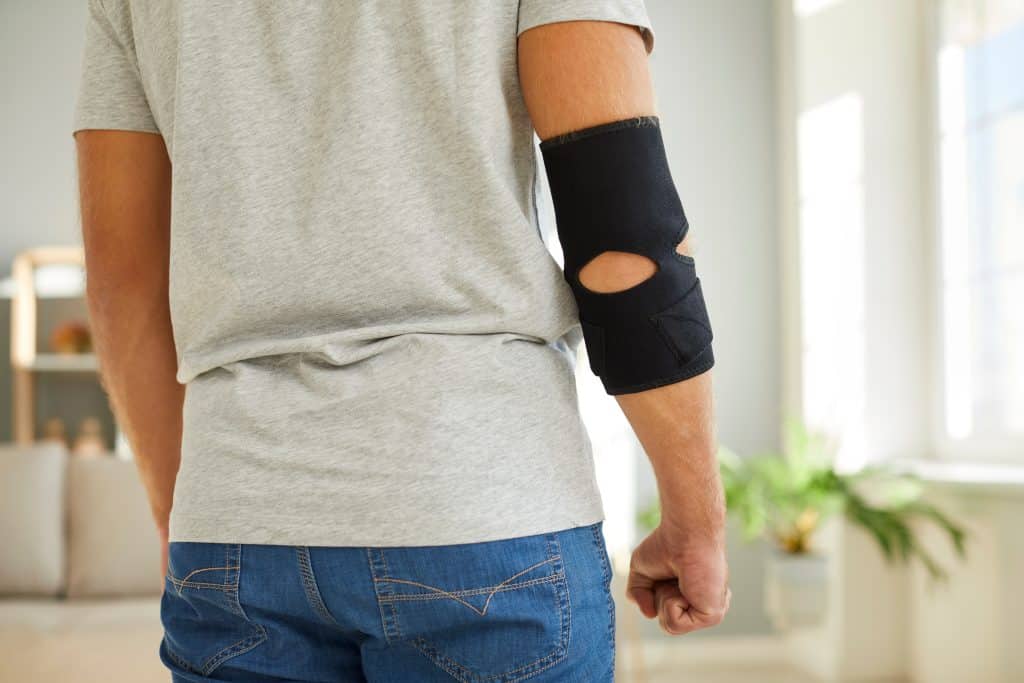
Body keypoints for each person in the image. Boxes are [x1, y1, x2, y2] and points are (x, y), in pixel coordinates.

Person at [73, 1, 729, 680]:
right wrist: (695, 516)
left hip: (237, 517)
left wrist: (184, 514)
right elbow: (625, 233)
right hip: (482, 507)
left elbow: (122, 280)